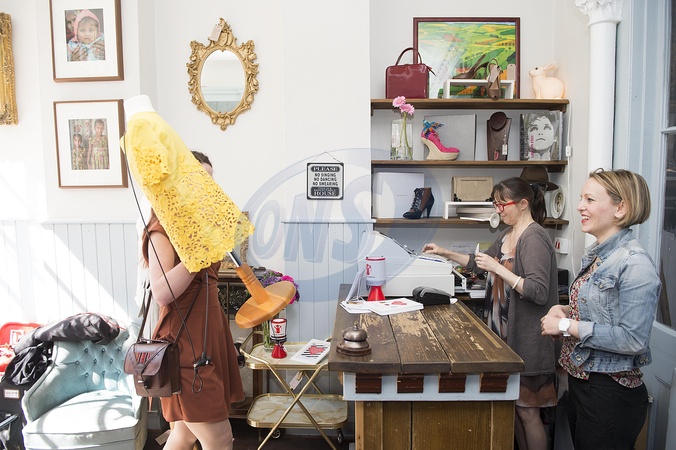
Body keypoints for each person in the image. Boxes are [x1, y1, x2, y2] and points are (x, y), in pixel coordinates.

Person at [424, 177, 558, 450]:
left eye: (502, 204)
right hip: (505, 337)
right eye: (495, 204)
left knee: (528, 413)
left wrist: (498, 268)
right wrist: (445, 252)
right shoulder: (507, 235)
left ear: (523, 204)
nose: (498, 210)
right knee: (515, 410)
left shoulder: (533, 237)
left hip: (527, 341)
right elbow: (479, 264)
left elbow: (538, 291)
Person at [541, 169, 660, 450]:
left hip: (610, 394)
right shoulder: (598, 255)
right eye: (582, 198)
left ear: (621, 208)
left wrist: (566, 326)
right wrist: (566, 310)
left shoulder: (634, 263)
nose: (580, 206)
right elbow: (602, 310)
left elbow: (632, 339)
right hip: (583, 385)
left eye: (590, 200)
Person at [141, 150, 244, 450]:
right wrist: (198, 254)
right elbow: (161, 292)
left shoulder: (197, 227)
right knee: (220, 439)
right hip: (184, 346)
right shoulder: (161, 229)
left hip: (207, 338)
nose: (206, 188)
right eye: (198, 179)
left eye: (210, 181)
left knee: (184, 434)